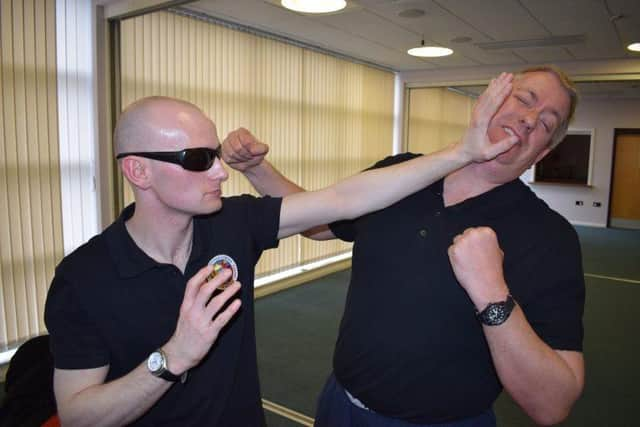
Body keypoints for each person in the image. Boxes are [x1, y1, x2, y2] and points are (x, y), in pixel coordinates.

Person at [44, 82, 516, 427]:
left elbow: (342, 200)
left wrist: (461, 154)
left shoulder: (230, 224)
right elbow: (80, 414)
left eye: (215, 154)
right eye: (196, 159)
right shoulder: (85, 278)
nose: (220, 174)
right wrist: (172, 358)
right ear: (138, 171)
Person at [222, 66, 585, 426]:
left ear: (541, 153)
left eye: (546, 124)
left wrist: (493, 296)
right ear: (491, 101)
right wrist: (256, 169)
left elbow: (553, 404)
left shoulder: (550, 236)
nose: (529, 119)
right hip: (340, 406)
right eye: (524, 99)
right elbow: (319, 222)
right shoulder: (403, 172)